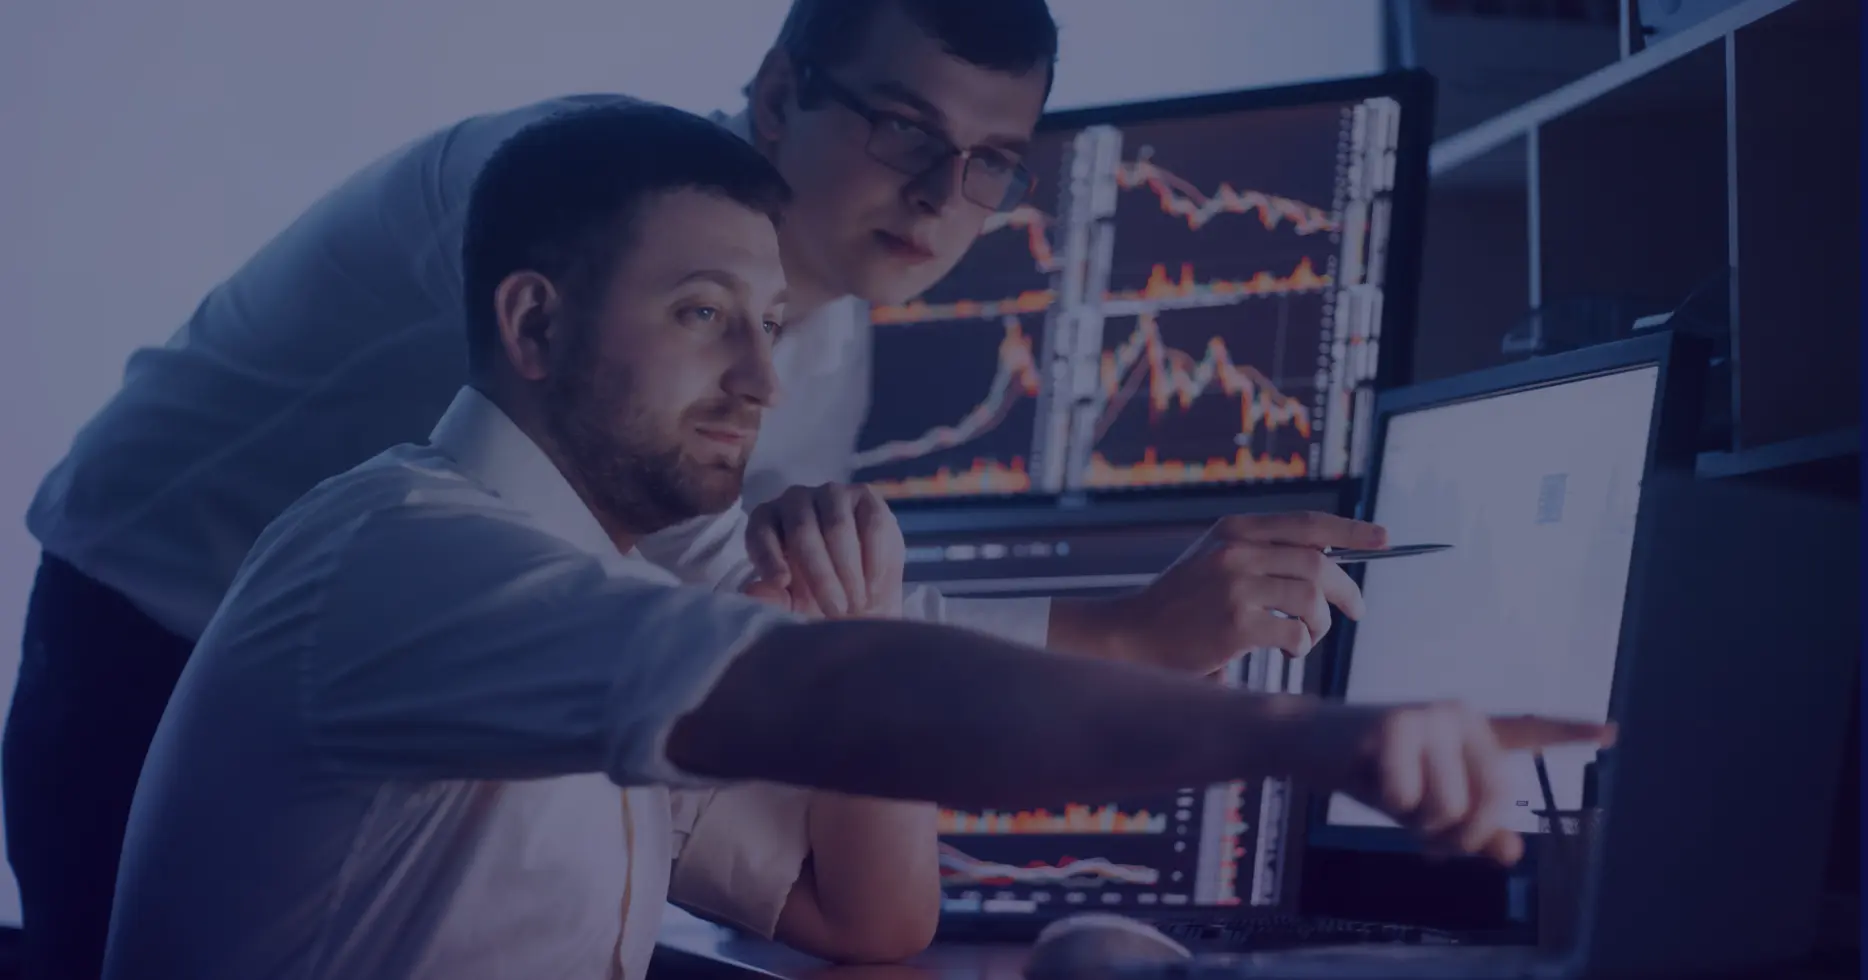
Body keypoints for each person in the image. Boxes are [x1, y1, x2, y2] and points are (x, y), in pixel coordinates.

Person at [6, 3, 1395, 976]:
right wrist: (1141, 643)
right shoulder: (562, 205)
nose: (939, 196)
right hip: (153, 635)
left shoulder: (820, 347)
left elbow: (776, 625)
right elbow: (761, 646)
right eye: (906, 128)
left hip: (488, 706)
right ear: (783, 94)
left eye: (986, 165)